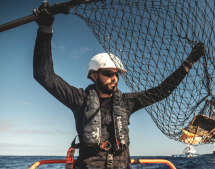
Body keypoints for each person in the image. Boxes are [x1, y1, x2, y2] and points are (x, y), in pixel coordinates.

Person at [32, 1, 205, 169]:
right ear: (93, 75)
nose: (114, 78)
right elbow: (44, 75)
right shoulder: (79, 99)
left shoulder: (127, 102)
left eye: (116, 74)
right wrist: (45, 30)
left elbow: (161, 91)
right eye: (108, 73)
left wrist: (188, 64)